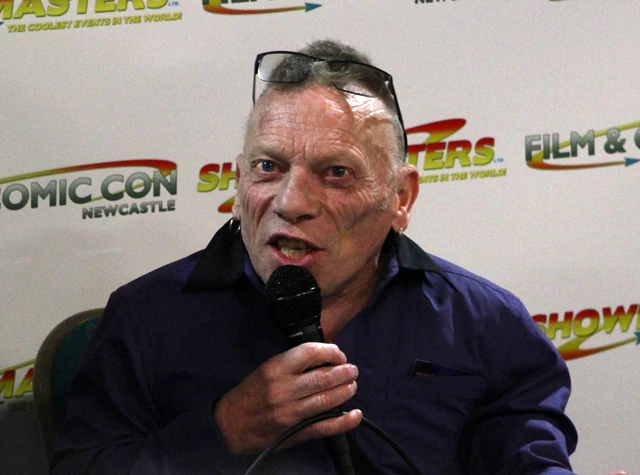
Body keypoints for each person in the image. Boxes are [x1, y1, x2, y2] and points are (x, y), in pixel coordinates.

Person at [51, 39, 579, 474]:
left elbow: (530, 458)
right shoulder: (147, 317)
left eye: (336, 173)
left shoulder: (484, 324)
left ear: (401, 197)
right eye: (268, 166)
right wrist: (222, 430)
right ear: (238, 181)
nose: (291, 202)